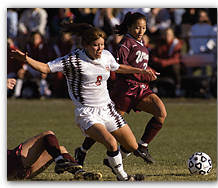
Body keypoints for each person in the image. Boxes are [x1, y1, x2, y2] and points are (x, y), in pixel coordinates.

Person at [10, 23, 156, 181]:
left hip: (108, 110)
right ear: (86, 45)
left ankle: (110, 161)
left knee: (132, 146)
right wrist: (26, 60)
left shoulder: (106, 55)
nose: (100, 49)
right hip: (87, 113)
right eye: (95, 45)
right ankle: (124, 178)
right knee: (111, 143)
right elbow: (46, 68)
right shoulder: (73, 60)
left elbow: (117, 67)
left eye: (102, 45)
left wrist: (141, 71)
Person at [74, 12, 167, 167]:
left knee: (161, 112)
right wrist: (142, 74)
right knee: (105, 125)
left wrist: (149, 71)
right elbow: (119, 68)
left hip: (141, 90)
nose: (141, 31)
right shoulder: (125, 44)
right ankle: (82, 150)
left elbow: (139, 66)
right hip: (125, 91)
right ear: (129, 27)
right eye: (137, 27)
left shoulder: (142, 43)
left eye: (143, 27)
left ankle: (143, 146)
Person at [150, 27, 183, 97]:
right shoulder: (160, 43)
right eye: (166, 34)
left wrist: (164, 62)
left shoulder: (176, 43)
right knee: (150, 66)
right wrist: (159, 62)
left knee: (176, 67)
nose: (167, 36)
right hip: (160, 65)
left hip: (170, 66)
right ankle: (153, 86)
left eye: (169, 34)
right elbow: (154, 56)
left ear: (173, 35)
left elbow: (176, 59)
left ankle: (178, 86)